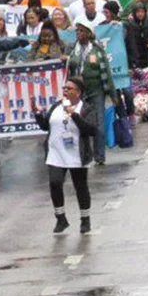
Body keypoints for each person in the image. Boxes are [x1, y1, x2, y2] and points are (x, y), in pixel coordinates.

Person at [32, 77, 98, 234]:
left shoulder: (87, 108)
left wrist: (74, 115)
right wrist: (38, 114)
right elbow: (44, 126)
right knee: (55, 183)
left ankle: (85, 219)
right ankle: (61, 219)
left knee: (80, 187)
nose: (66, 91)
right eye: (64, 88)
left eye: (70, 89)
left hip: (77, 154)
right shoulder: (56, 106)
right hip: (56, 153)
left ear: (78, 92)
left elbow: (91, 130)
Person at [67, 20, 118, 165]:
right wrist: (66, 59)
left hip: (96, 90)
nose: (79, 34)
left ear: (89, 33)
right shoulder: (72, 49)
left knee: (98, 123)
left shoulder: (97, 49)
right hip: (78, 92)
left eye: (82, 31)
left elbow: (107, 72)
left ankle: (100, 156)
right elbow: (67, 68)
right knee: (78, 123)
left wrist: (113, 95)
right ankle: (82, 155)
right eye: (77, 31)